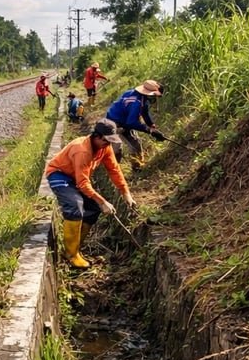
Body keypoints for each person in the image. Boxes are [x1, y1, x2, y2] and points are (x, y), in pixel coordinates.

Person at [45, 119, 136, 268]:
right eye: (106, 141)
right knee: (76, 206)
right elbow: (83, 183)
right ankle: (71, 254)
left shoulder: (104, 148)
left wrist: (125, 192)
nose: (108, 144)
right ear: (97, 136)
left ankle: (76, 247)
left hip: (75, 177)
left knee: (93, 208)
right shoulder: (82, 150)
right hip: (59, 174)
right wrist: (103, 201)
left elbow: (114, 169)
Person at [105, 79, 165, 163]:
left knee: (135, 142)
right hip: (115, 122)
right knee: (127, 146)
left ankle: (137, 163)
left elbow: (144, 112)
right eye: (155, 96)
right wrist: (149, 130)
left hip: (121, 118)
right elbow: (131, 122)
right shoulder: (136, 102)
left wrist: (151, 125)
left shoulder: (137, 95)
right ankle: (130, 166)